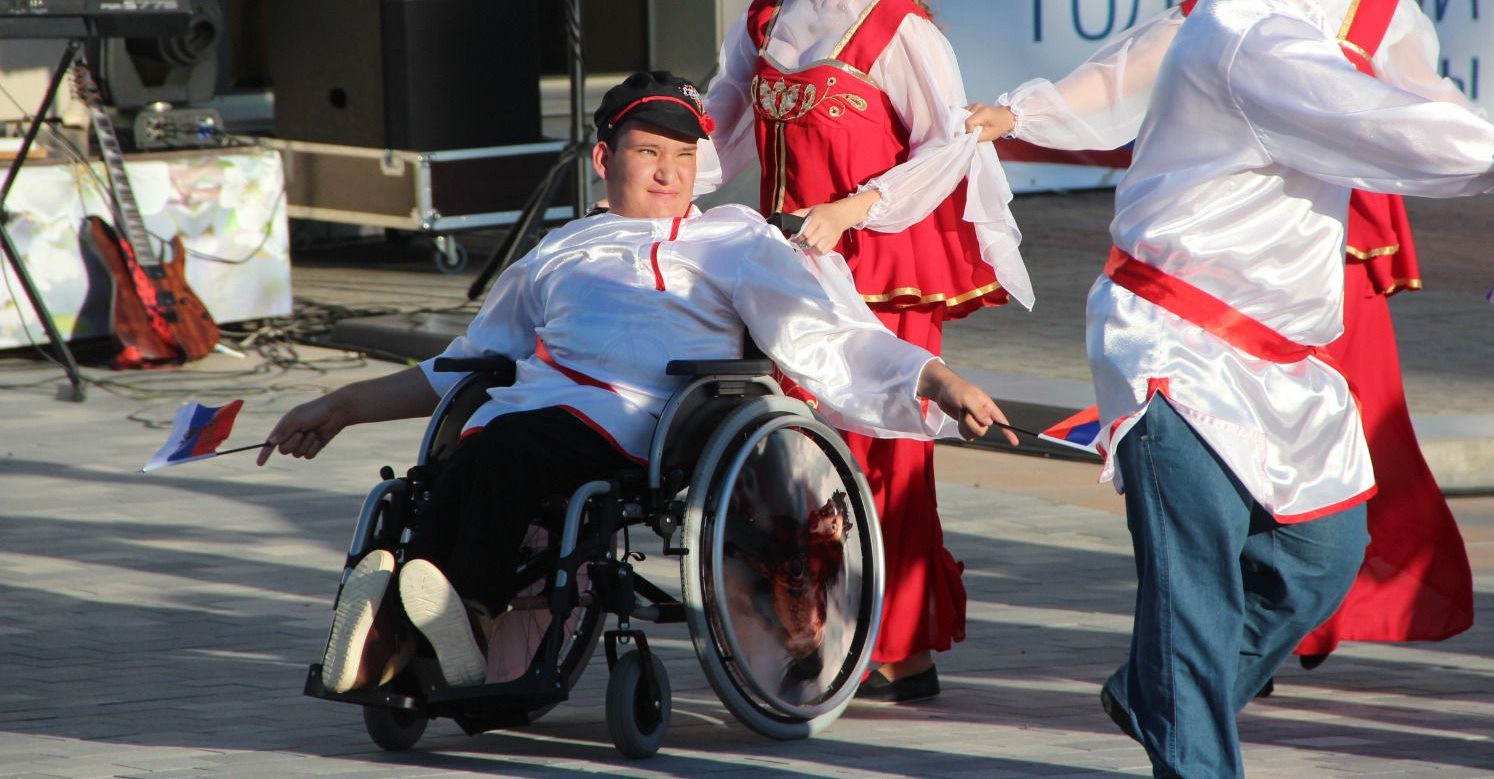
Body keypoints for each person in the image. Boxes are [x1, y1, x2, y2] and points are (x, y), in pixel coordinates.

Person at [1034, 0, 1494, 778]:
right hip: (1178, 346)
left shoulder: (1292, 17)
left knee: (1323, 557)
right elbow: (1377, 120)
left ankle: (1161, 696)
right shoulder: (1248, 34)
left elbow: (1399, 103)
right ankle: (1185, 723)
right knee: (1197, 599)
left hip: (1275, 356)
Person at [258, 70, 1014, 694]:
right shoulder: (559, 250)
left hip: (653, 421)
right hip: (532, 415)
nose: (668, 172)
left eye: (684, 158)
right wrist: (337, 407)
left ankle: (451, 615)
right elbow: (463, 364)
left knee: (503, 447)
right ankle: (414, 615)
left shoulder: (732, 238)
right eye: (649, 151)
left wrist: (934, 376)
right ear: (602, 160)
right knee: (445, 469)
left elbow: (828, 338)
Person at [967, 0, 1482, 675]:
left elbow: (1430, 110)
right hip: (1212, 296)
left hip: (1331, 267)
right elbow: (1123, 73)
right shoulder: (1232, 14)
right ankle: (1199, 666)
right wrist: (1023, 113)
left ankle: (1247, 642)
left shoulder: (1382, 11)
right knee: (1216, 477)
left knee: (1343, 471)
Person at [701, 0, 1033, 702]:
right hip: (790, 264)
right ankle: (812, 630)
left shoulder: (900, 27)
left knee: (884, 455)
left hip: (881, 262)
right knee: (798, 455)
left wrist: (850, 210)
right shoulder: (764, 16)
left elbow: (950, 145)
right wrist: (654, 181)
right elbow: (725, 129)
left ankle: (901, 646)